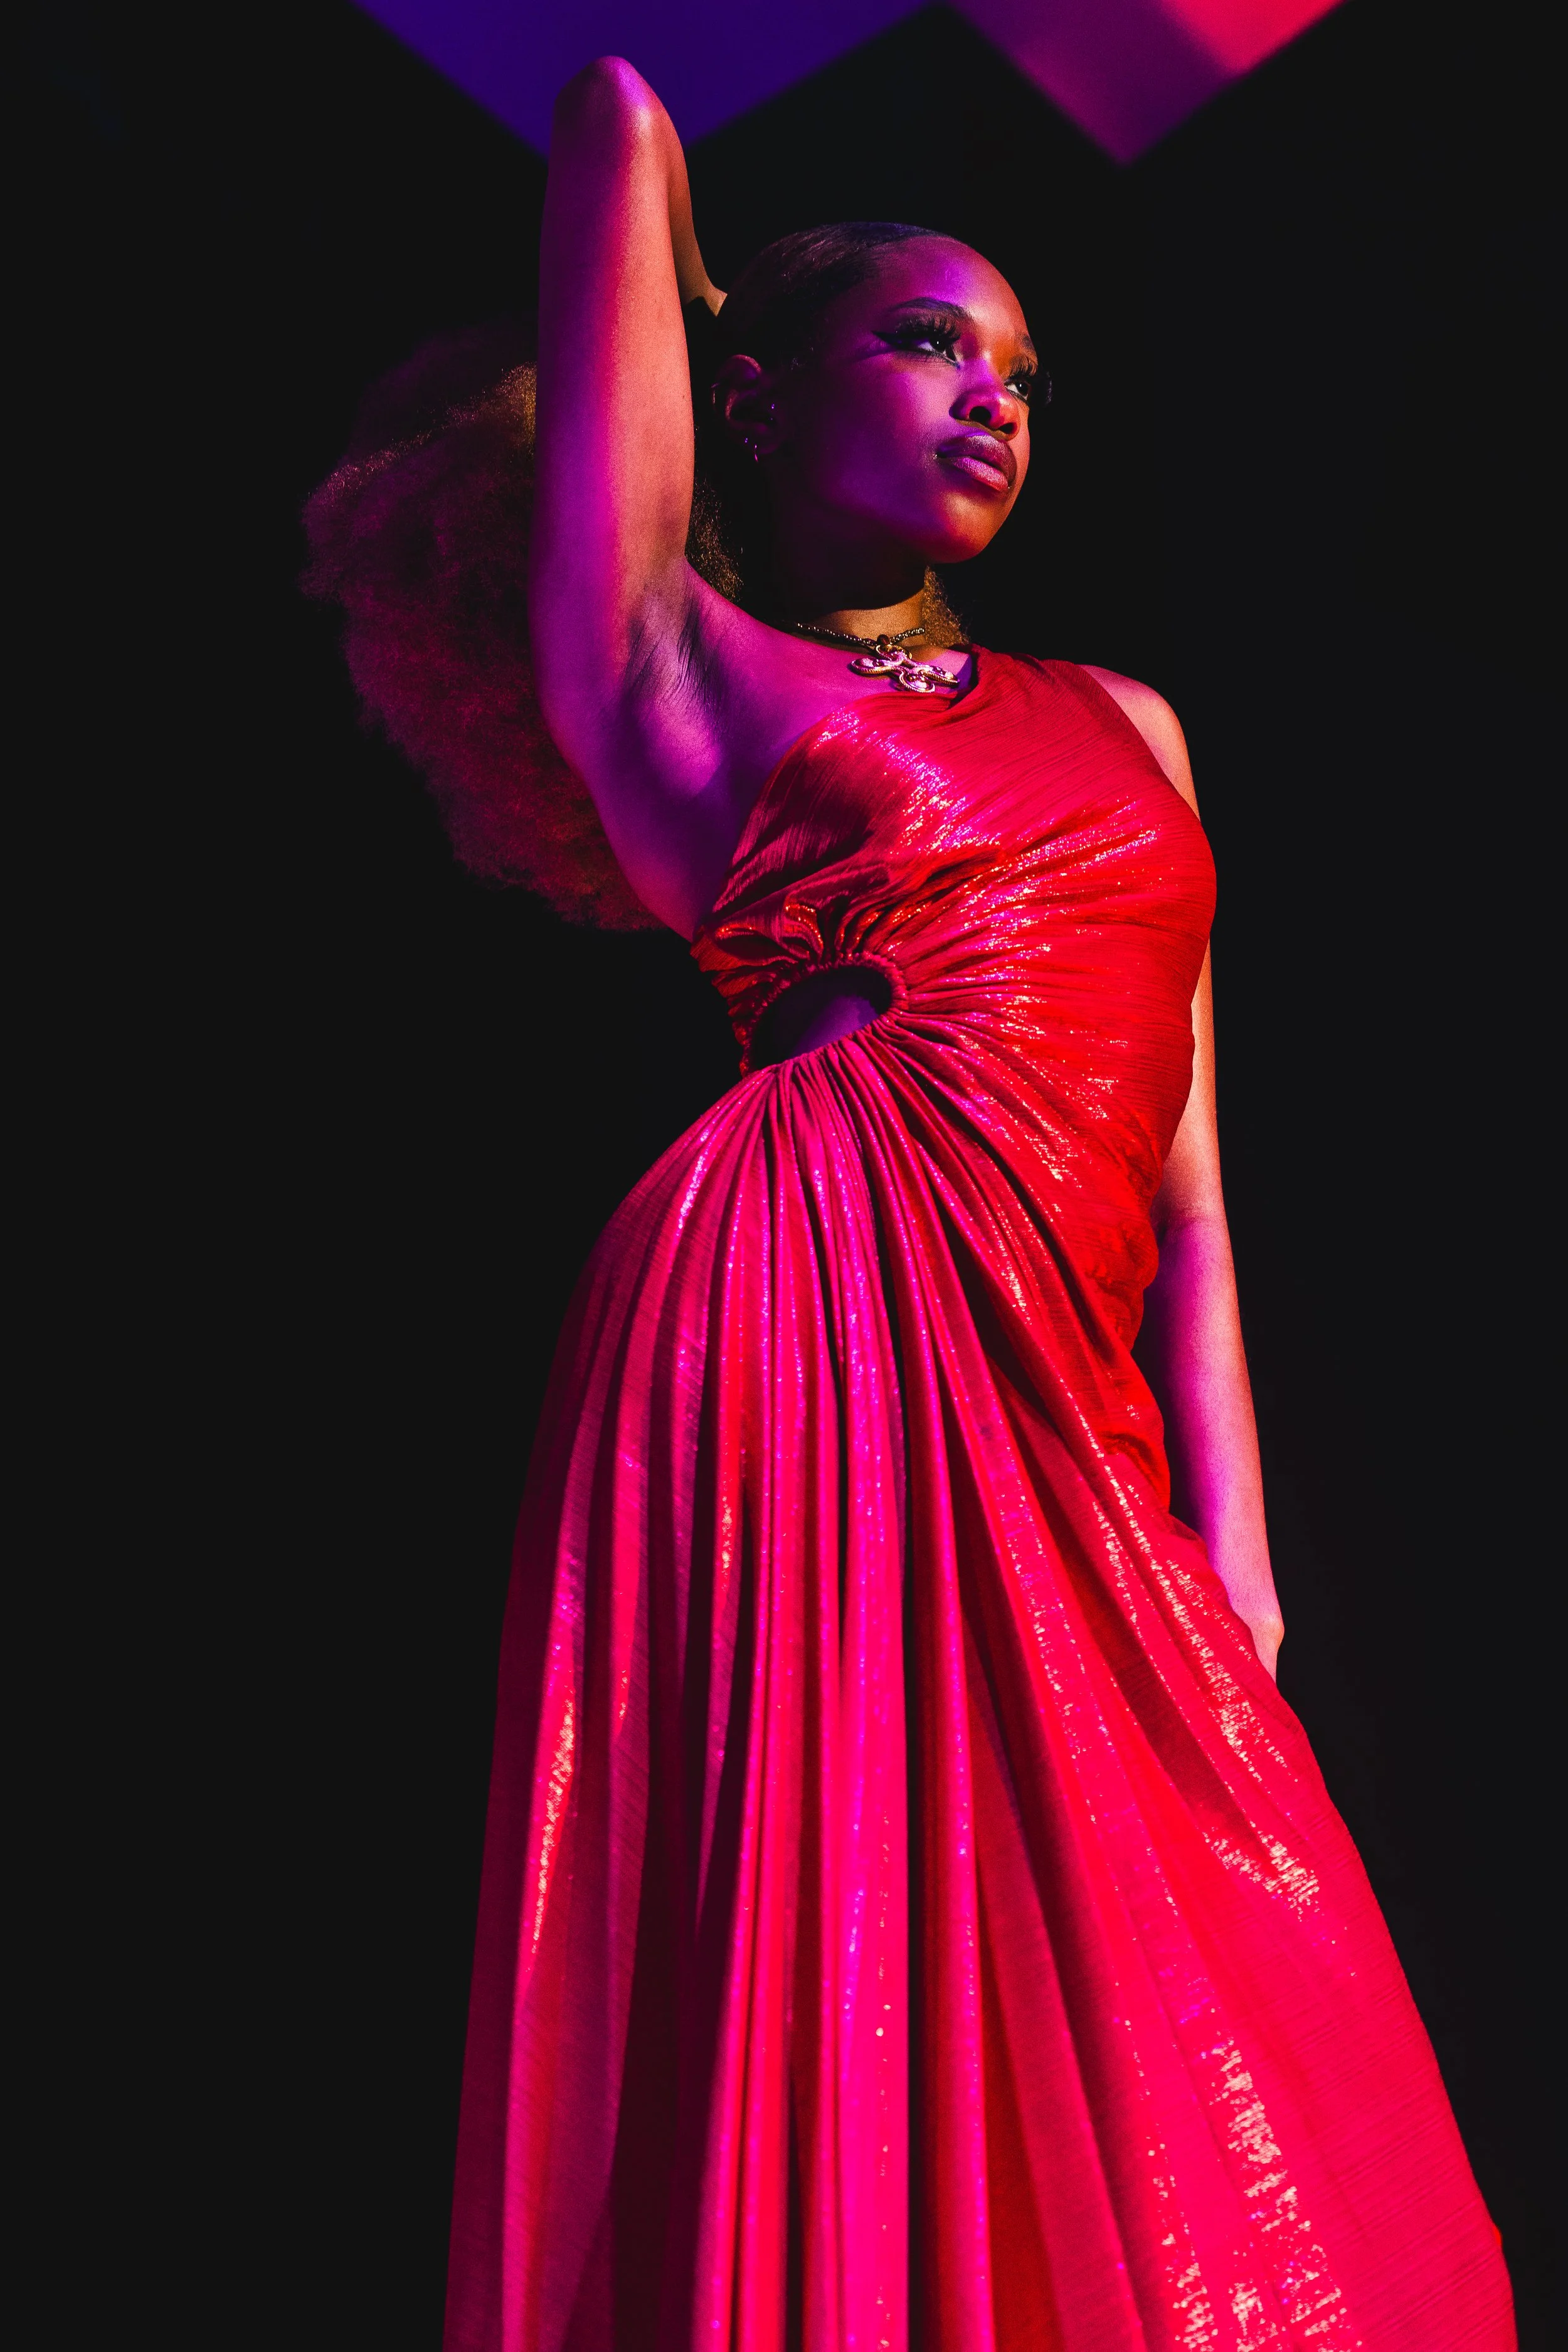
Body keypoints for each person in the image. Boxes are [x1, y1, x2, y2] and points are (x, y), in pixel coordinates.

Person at [307, 56, 1514, 2352]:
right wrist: (644, 138)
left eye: (1026, 372)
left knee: (1197, 1970)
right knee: (841, 1904)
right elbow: (611, 114)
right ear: (741, 395)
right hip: (803, 1312)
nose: (993, 396)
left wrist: (1237, 1543)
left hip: (1067, 1390)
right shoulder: (674, 672)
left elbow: (1196, 1178)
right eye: (928, 340)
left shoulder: (1126, 720)